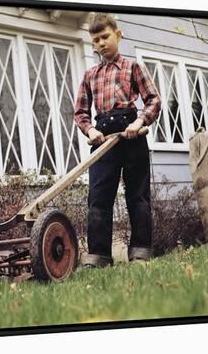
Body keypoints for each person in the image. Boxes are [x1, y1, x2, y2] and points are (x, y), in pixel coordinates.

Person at [74, 14, 161, 268]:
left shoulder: (133, 67)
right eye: (96, 39)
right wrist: (90, 130)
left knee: (138, 194)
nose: (101, 43)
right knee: (99, 196)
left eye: (105, 37)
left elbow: (153, 100)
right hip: (103, 137)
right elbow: (80, 112)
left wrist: (139, 122)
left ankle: (141, 250)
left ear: (118, 35)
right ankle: (99, 255)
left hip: (131, 134)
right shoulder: (90, 75)